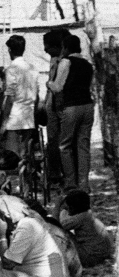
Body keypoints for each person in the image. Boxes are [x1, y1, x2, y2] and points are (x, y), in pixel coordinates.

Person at [48, 34, 94, 192]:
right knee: (83, 146)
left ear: (65, 48)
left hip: (71, 107)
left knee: (65, 146)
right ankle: (84, 183)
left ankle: (70, 182)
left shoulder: (66, 62)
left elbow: (58, 87)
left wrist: (49, 83)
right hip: (88, 106)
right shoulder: (87, 64)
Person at [0, 34, 38, 159]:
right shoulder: (32, 68)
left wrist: (4, 121)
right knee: (25, 153)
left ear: (10, 50)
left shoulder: (11, 69)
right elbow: (36, 94)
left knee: (12, 154)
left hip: (15, 114)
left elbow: (10, 96)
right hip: (29, 113)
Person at [59, 190, 113, 267]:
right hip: (101, 254)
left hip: (92, 257)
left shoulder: (82, 217)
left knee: (62, 233)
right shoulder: (87, 213)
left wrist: (58, 206)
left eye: (69, 208)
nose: (68, 210)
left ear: (74, 208)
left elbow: (58, 225)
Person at [41, 29, 68, 186]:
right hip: (55, 106)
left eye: (47, 46)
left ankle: (56, 174)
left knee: (55, 142)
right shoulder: (56, 60)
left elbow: (56, 87)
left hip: (58, 107)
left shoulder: (61, 62)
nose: (45, 50)